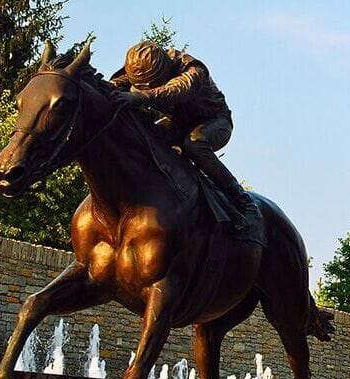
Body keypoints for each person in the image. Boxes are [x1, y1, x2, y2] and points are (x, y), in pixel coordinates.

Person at [108, 41, 260, 239]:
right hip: (178, 124)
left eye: (154, 83)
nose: (150, 87)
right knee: (145, 137)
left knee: (194, 145)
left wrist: (142, 97)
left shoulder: (191, 69)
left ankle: (242, 201)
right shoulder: (138, 68)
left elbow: (178, 89)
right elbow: (113, 86)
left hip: (214, 121)